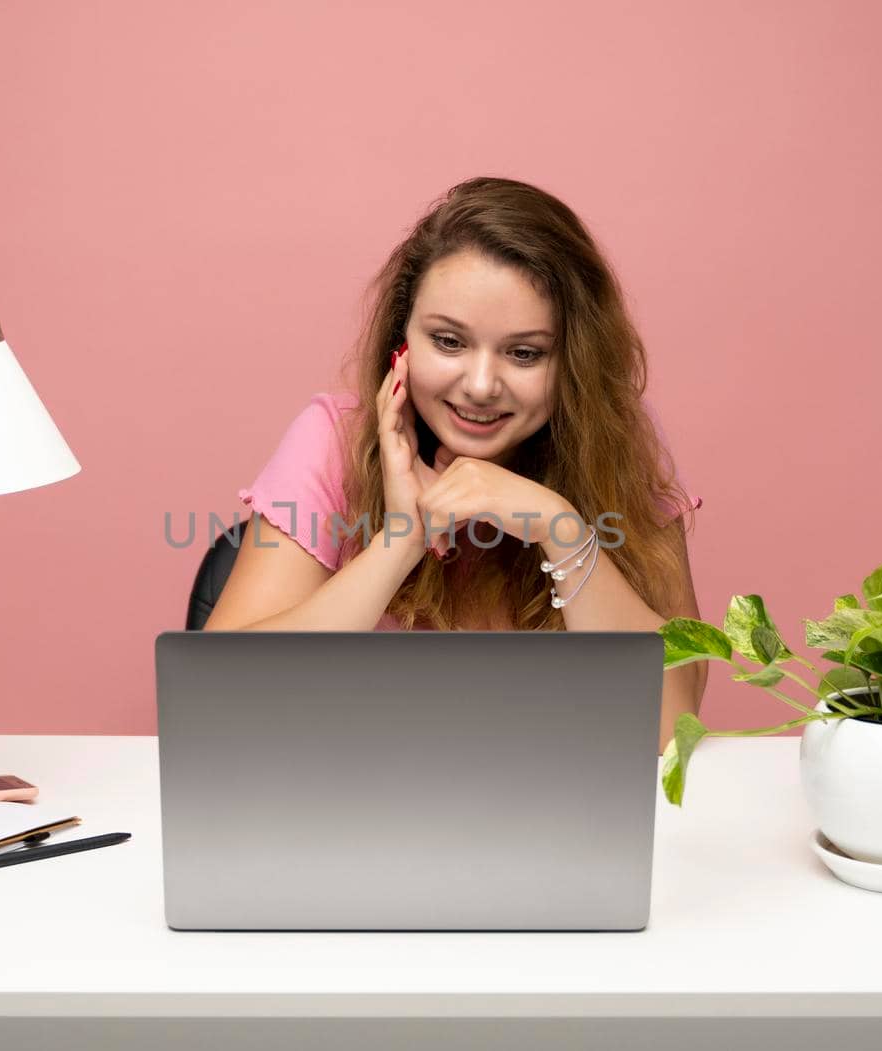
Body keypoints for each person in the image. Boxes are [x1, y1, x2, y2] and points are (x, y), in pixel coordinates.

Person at [204, 177, 706, 748]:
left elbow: (670, 728)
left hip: (548, 812)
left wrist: (558, 527)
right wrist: (400, 541)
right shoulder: (331, 440)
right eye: (448, 342)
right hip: (353, 805)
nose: (481, 385)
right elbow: (220, 700)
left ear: (574, 362)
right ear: (403, 342)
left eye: (525, 353)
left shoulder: (618, 443)